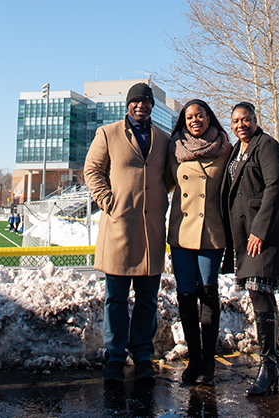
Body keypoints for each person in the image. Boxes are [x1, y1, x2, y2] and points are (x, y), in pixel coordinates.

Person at [84, 83, 170, 383]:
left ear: (151, 106)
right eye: (136, 102)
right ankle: (115, 356)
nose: (141, 106)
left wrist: (158, 198)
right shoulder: (107, 134)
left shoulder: (163, 137)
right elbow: (92, 170)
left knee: (148, 299)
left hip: (151, 231)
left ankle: (143, 353)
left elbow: (169, 175)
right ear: (128, 105)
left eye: (146, 102)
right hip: (119, 226)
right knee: (116, 298)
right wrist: (109, 201)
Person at [221, 102, 279, 396]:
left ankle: (268, 364)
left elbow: (274, 187)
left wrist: (259, 230)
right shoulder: (236, 149)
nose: (240, 125)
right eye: (235, 121)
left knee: (259, 293)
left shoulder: (266, 145)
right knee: (261, 294)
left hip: (263, 235)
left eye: (246, 119)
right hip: (244, 236)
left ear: (256, 120)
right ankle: (275, 361)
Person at [167, 99, 232, 385]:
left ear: (209, 118)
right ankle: (193, 360)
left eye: (200, 115)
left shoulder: (225, 147)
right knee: (185, 295)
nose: (196, 120)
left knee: (208, 293)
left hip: (211, 231)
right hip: (182, 232)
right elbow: (159, 183)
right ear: (184, 120)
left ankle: (208, 362)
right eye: (190, 116)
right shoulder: (174, 148)